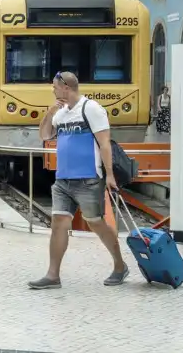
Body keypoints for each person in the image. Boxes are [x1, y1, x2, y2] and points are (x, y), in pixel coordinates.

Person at [28, 71, 129, 289]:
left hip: (89, 179)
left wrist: (110, 175)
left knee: (96, 223)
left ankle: (120, 266)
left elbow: (104, 143)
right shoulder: (61, 112)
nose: (53, 91)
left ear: (66, 87)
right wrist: (49, 113)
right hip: (63, 180)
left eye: (55, 87)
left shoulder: (91, 109)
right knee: (58, 223)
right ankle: (52, 275)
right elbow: (45, 136)